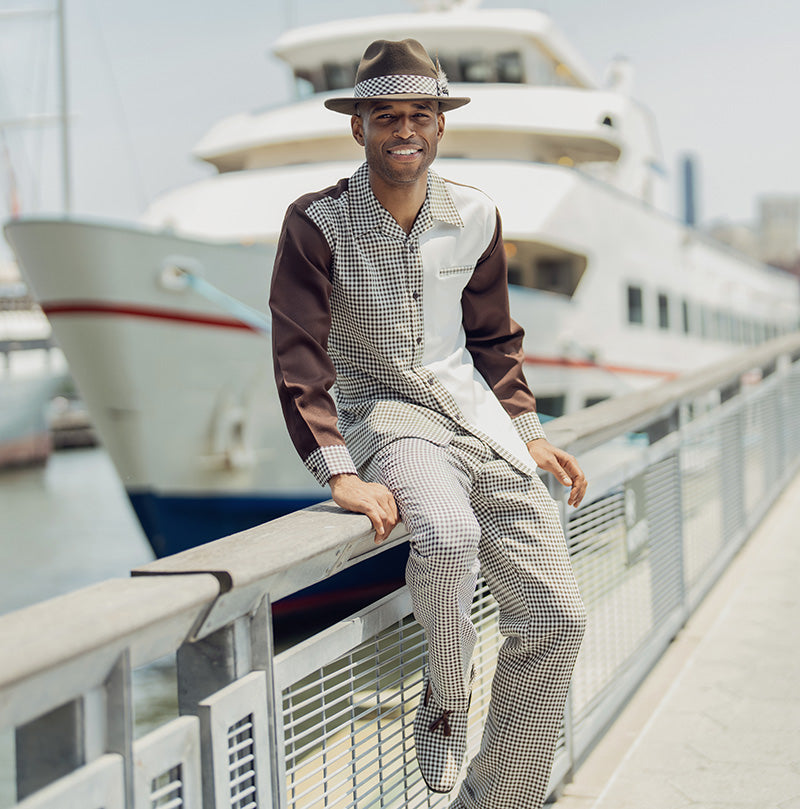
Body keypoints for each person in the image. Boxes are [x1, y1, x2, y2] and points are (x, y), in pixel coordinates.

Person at [269, 37, 587, 809]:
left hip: (479, 421)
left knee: (560, 616)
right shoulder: (317, 223)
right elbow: (298, 353)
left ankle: (497, 799)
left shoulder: (476, 214)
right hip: (388, 415)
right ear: (360, 128)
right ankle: (447, 697)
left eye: (418, 115)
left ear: (440, 127)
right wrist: (338, 471)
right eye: (386, 116)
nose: (403, 129)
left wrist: (530, 429)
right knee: (447, 536)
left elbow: (494, 340)